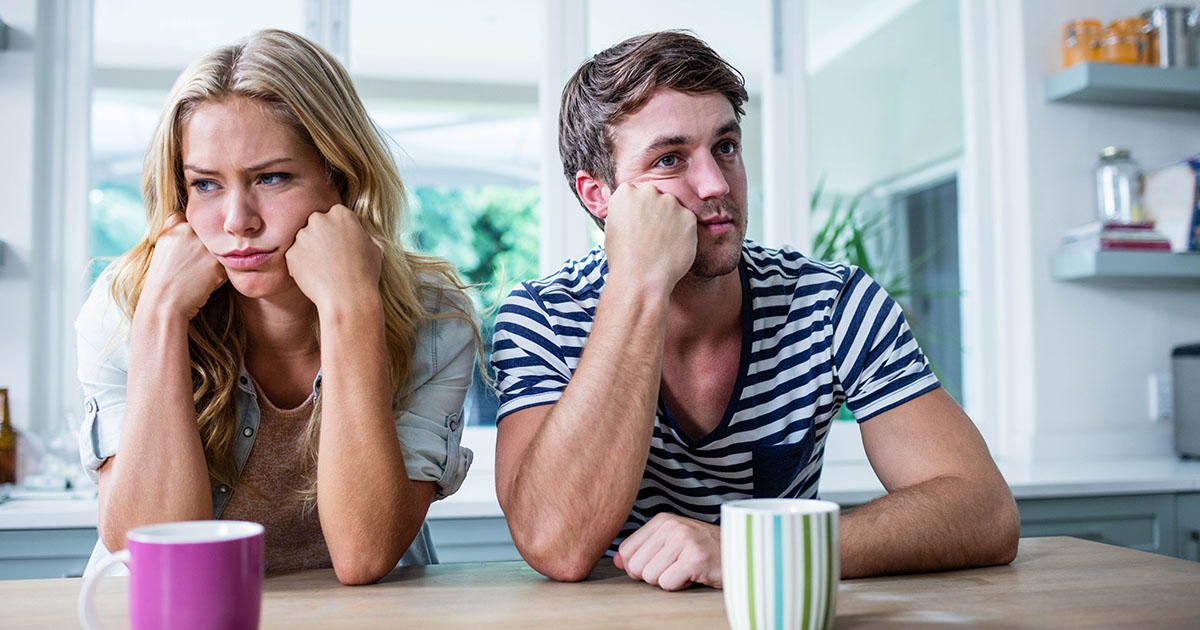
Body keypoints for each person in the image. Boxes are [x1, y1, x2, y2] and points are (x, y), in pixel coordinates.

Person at [491, 30, 1019, 591]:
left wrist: (754, 550)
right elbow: (556, 545)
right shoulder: (542, 316)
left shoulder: (830, 302)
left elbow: (985, 511)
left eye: (725, 146)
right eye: (670, 159)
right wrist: (640, 284)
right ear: (599, 195)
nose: (716, 184)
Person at [76, 29, 479, 585]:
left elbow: (365, 554)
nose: (237, 221)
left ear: (342, 177)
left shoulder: (433, 320)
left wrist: (351, 307)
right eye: (206, 185)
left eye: (272, 177)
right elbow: (152, 555)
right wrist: (162, 316)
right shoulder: (126, 305)